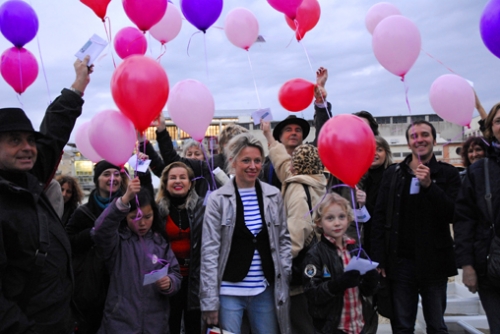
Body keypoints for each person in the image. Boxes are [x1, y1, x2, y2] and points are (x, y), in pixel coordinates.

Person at [0, 57, 92, 334]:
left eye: (30, 140)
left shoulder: (27, 180)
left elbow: (52, 134)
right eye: (15, 140)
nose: (27, 147)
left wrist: (78, 86)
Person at [371, 120, 461, 333]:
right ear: (409, 143)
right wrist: (379, 259)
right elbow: (380, 217)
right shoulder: (393, 173)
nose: (419, 139)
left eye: (425, 134)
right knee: (402, 326)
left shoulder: (448, 174)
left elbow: (454, 214)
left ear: (434, 140)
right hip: (400, 263)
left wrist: (430, 186)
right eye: (414, 136)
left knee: (436, 325)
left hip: (435, 263)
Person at [200, 133, 292, 334]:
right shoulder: (218, 199)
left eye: (258, 161)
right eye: (246, 160)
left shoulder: (273, 195)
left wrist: (284, 270)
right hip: (228, 292)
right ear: (233, 162)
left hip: (264, 291)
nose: (253, 166)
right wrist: (209, 300)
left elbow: (283, 239)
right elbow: (209, 251)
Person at [261, 121, 326, 333]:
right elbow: (281, 162)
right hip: (316, 269)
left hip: (298, 275)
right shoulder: (314, 181)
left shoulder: (298, 190)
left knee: (300, 324)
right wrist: (269, 137)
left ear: (295, 166)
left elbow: (296, 236)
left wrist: (278, 265)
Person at [93, 179, 182, 333]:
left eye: (148, 217)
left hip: (155, 324)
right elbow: (99, 230)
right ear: (125, 217)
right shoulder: (118, 242)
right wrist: (123, 201)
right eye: (135, 217)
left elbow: (175, 273)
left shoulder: (160, 241)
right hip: (120, 322)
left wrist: (170, 282)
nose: (142, 224)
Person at [302, 193, 379, 334]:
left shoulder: (356, 249)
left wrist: (371, 280)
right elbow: (312, 293)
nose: (337, 223)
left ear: (349, 219)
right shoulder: (315, 254)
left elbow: (367, 291)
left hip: (359, 324)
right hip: (333, 327)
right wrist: (338, 284)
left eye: (341, 217)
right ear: (319, 222)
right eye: (330, 218)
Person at [454, 105, 500, 332]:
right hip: (491, 268)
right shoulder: (479, 171)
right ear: (491, 128)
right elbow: (464, 220)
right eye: (499, 121)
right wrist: (467, 266)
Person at [65, 160, 124, 334]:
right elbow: (68, 241)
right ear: (97, 180)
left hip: (120, 279)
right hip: (91, 285)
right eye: (106, 174)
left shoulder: (129, 207)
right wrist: (93, 234)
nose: (112, 178)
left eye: (117, 174)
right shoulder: (83, 213)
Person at [156, 162, 205, 334]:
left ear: (191, 182)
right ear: (165, 182)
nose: (178, 181)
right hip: (168, 278)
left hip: (195, 279)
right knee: (170, 325)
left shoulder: (202, 208)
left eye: (183, 177)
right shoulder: (158, 211)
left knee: (194, 326)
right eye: (173, 178)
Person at [362, 136, 393, 256]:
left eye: (379, 150)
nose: (374, 153)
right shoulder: (360, 178)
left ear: (386, 153)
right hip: (361, 240)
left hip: (383, 242)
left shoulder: (391, 176)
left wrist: (366, 203)